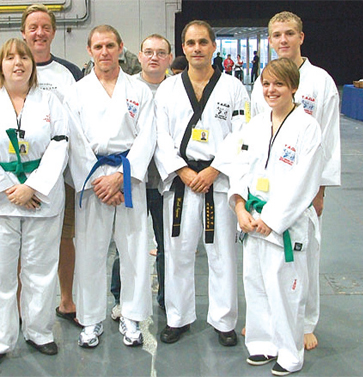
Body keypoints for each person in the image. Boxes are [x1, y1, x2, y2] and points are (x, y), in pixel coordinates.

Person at [0, 38, 69, 369]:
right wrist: (10, 188)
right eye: (10, 57)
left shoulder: (50, 100)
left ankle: (39, 332)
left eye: (23, 57)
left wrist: (33, 187)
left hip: (40, 199)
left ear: (31, 64)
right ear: (1, 65)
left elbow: (60, 144)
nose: (18, 63)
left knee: (40, 271)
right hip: (0, 201)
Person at [153, 20, 249, 346]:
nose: (197, 48)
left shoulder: (234, 87)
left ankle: (224, 322)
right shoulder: (167, 89)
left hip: (217, 183)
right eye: (191, 43)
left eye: (203, 42)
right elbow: (160, 136)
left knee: (221, 254)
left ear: (213, 47)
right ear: (183, 48)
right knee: (178, 252)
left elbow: (242, 135)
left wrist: (216, 170)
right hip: (181, 182)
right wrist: (181, 170)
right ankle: (178, 318)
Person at [250, 10, 341, 351]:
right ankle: (265, 320)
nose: (283, 40)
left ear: (301, 37)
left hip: (304, 188)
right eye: (276, 35)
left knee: (304, 256)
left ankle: (304, 322)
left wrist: (320, 189)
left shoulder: (320, 81)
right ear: (270, 40)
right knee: (264, 257)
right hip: (265, 189)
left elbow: (329, 140)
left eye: (289, 33)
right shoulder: (264, 83)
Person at [230, 58, 323, 376]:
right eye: (266, 83)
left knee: (285, 289)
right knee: (254, 283)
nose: (271, 90)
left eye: (279, 84)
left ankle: (290, 351)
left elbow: (304, 181)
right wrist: (240, 207)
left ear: (293, 88)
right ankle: (261, 343)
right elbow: (239, 167)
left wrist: (272, 217)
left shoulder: (307, 127)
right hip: (252, 219)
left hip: (285, 223)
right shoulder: (255, 125)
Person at [65, 24, 155, 348]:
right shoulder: (76, 92)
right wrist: (98, 181)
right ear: (89, 51)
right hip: (92, 179)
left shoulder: (139, 90)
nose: (104, 52)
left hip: (128, 176)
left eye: (110, 46)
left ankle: (132, 317)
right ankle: (90, 320)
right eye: (98, 46)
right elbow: (73, 139)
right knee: (89, 252)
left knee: (134, 251)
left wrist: (122, 177)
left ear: (120, 47)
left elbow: (148, 137)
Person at [20, 3, 83, 326]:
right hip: (20, 176)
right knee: (19, 242)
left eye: (45, 27)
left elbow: (80, 122)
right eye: (33, 27)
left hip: (63, 174)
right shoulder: (11, 70)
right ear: (23, 32)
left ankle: (67, 301)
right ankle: (17, 311)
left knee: (64, 237)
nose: (39, 33)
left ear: (54, 32)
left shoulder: (70, 73)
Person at [110, 33, 173, 320]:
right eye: (148, 51)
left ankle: (166, 298)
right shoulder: (126, 88)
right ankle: (120, 298)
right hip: (131, 179)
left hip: (165, 182)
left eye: (161, 52)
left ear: (169, 58)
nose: (154, 57)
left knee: (166, 245)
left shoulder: (177, 89)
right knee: (127, 244)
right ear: (140, 54)